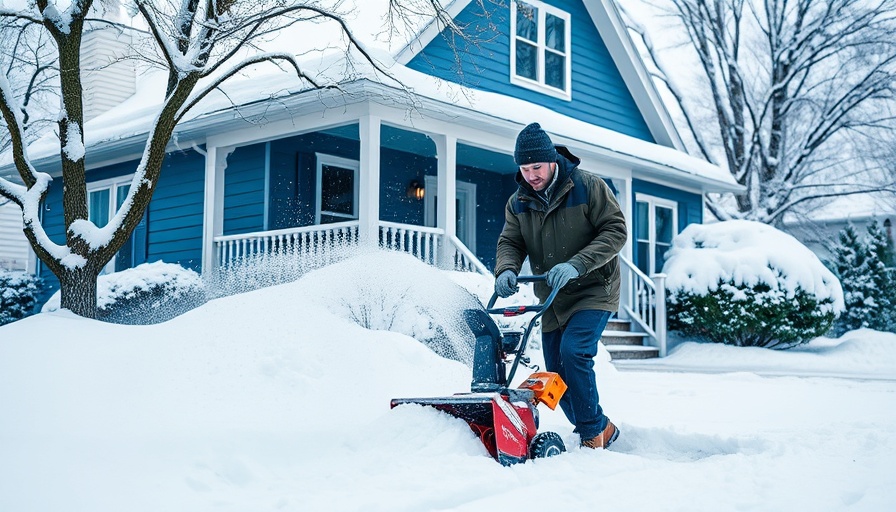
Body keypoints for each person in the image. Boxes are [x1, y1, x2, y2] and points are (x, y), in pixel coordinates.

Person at [494, 122, 627, 449]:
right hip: (553, 297)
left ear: (552, 160)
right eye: (524, 169)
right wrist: (506, 269)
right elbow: (511, 241)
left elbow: (615, 231)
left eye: (536, 167)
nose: (531, 175)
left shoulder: (588, 187)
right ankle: (600, 426)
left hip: (595, 287)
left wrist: (577, 264)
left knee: (574, 352)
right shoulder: (519, 202)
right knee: (556, 374)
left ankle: (591, 433)